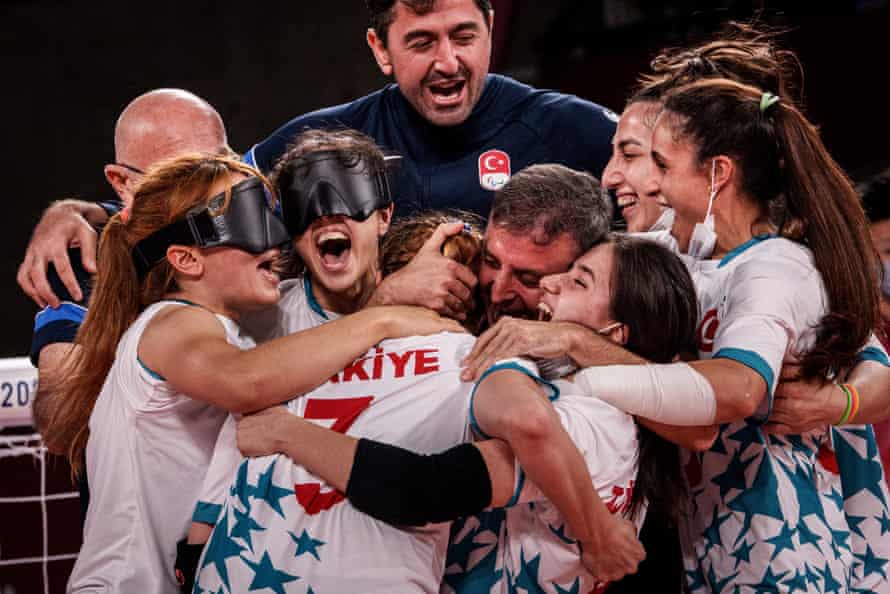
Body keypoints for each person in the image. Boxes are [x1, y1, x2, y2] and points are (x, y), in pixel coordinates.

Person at [190, 153, 643, 593]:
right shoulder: (450, 345)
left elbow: (424, 486)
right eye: (491, 262)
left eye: (528, 278)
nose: (498, 290)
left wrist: (597, 533)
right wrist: (385, 307)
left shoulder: (580, 397)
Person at [18, 0, 618, 319]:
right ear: (380, 49)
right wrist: (85, 214)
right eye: (421, 42)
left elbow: (658, 200)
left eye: (464, 36)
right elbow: (202, 203)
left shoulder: (571, 129)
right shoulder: (322, 141)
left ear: (489, 27)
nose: (448, 62)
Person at [61, 153, 460, 593]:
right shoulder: (170, 322)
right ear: (186, 259)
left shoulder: (235, 334)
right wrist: (383, 318)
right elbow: (245, 382)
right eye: (249, 218)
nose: (275, 241)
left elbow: (300, 362)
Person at [234, 232, 705, 594]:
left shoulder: (592, 423)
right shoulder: (597, 406)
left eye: (579, 280)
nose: (551, 282)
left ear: (614, 333)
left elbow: (423, 490)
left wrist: (288, 434)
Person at [28, 88, 232, 455]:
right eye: (181, 175)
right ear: (123, 182)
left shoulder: (257, 232)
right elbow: (61, 423)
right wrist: (160, 362)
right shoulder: (85, 259)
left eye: (219, 164)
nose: (207, 191)